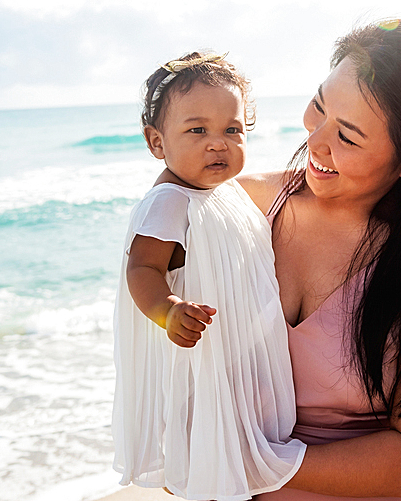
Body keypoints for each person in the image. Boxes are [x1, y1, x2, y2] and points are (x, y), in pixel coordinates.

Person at [239, 19, 401, 500]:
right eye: (319, 105)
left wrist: (253, 463)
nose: (316, 141)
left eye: (348, 138)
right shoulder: (243, 207)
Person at [112, 52, 306, 500]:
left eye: (232, 130)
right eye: (197, 130)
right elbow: (142, 267)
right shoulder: (169, 201)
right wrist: (168, 310)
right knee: (209, 455)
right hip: (200, 359)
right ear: (156, 142)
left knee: (235, 451)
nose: (217, 143)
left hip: (232, 357)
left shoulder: (224, 192)